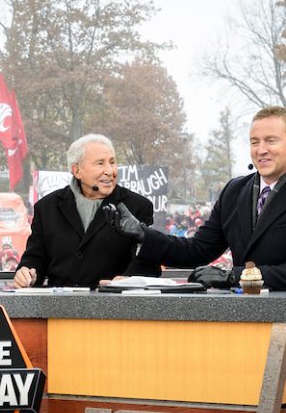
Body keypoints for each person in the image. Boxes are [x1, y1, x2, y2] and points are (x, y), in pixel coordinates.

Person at [105, 106, 286, 290]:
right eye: (254, 142)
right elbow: (196, 250)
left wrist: (236, 277)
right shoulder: (234, 191)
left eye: (271, 141)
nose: (261, 150)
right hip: (244, 314)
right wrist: (142, 233)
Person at [13, 134, 160, 288]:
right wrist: (27, 272)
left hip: (116, 306)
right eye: (100, 163)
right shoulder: (46, 207)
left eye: (112, 162)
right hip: (59, 308)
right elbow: (35, 257)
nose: (109, 171)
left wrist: (129, 279)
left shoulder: (138, 206)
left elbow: (149, 261)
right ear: (77, 170)